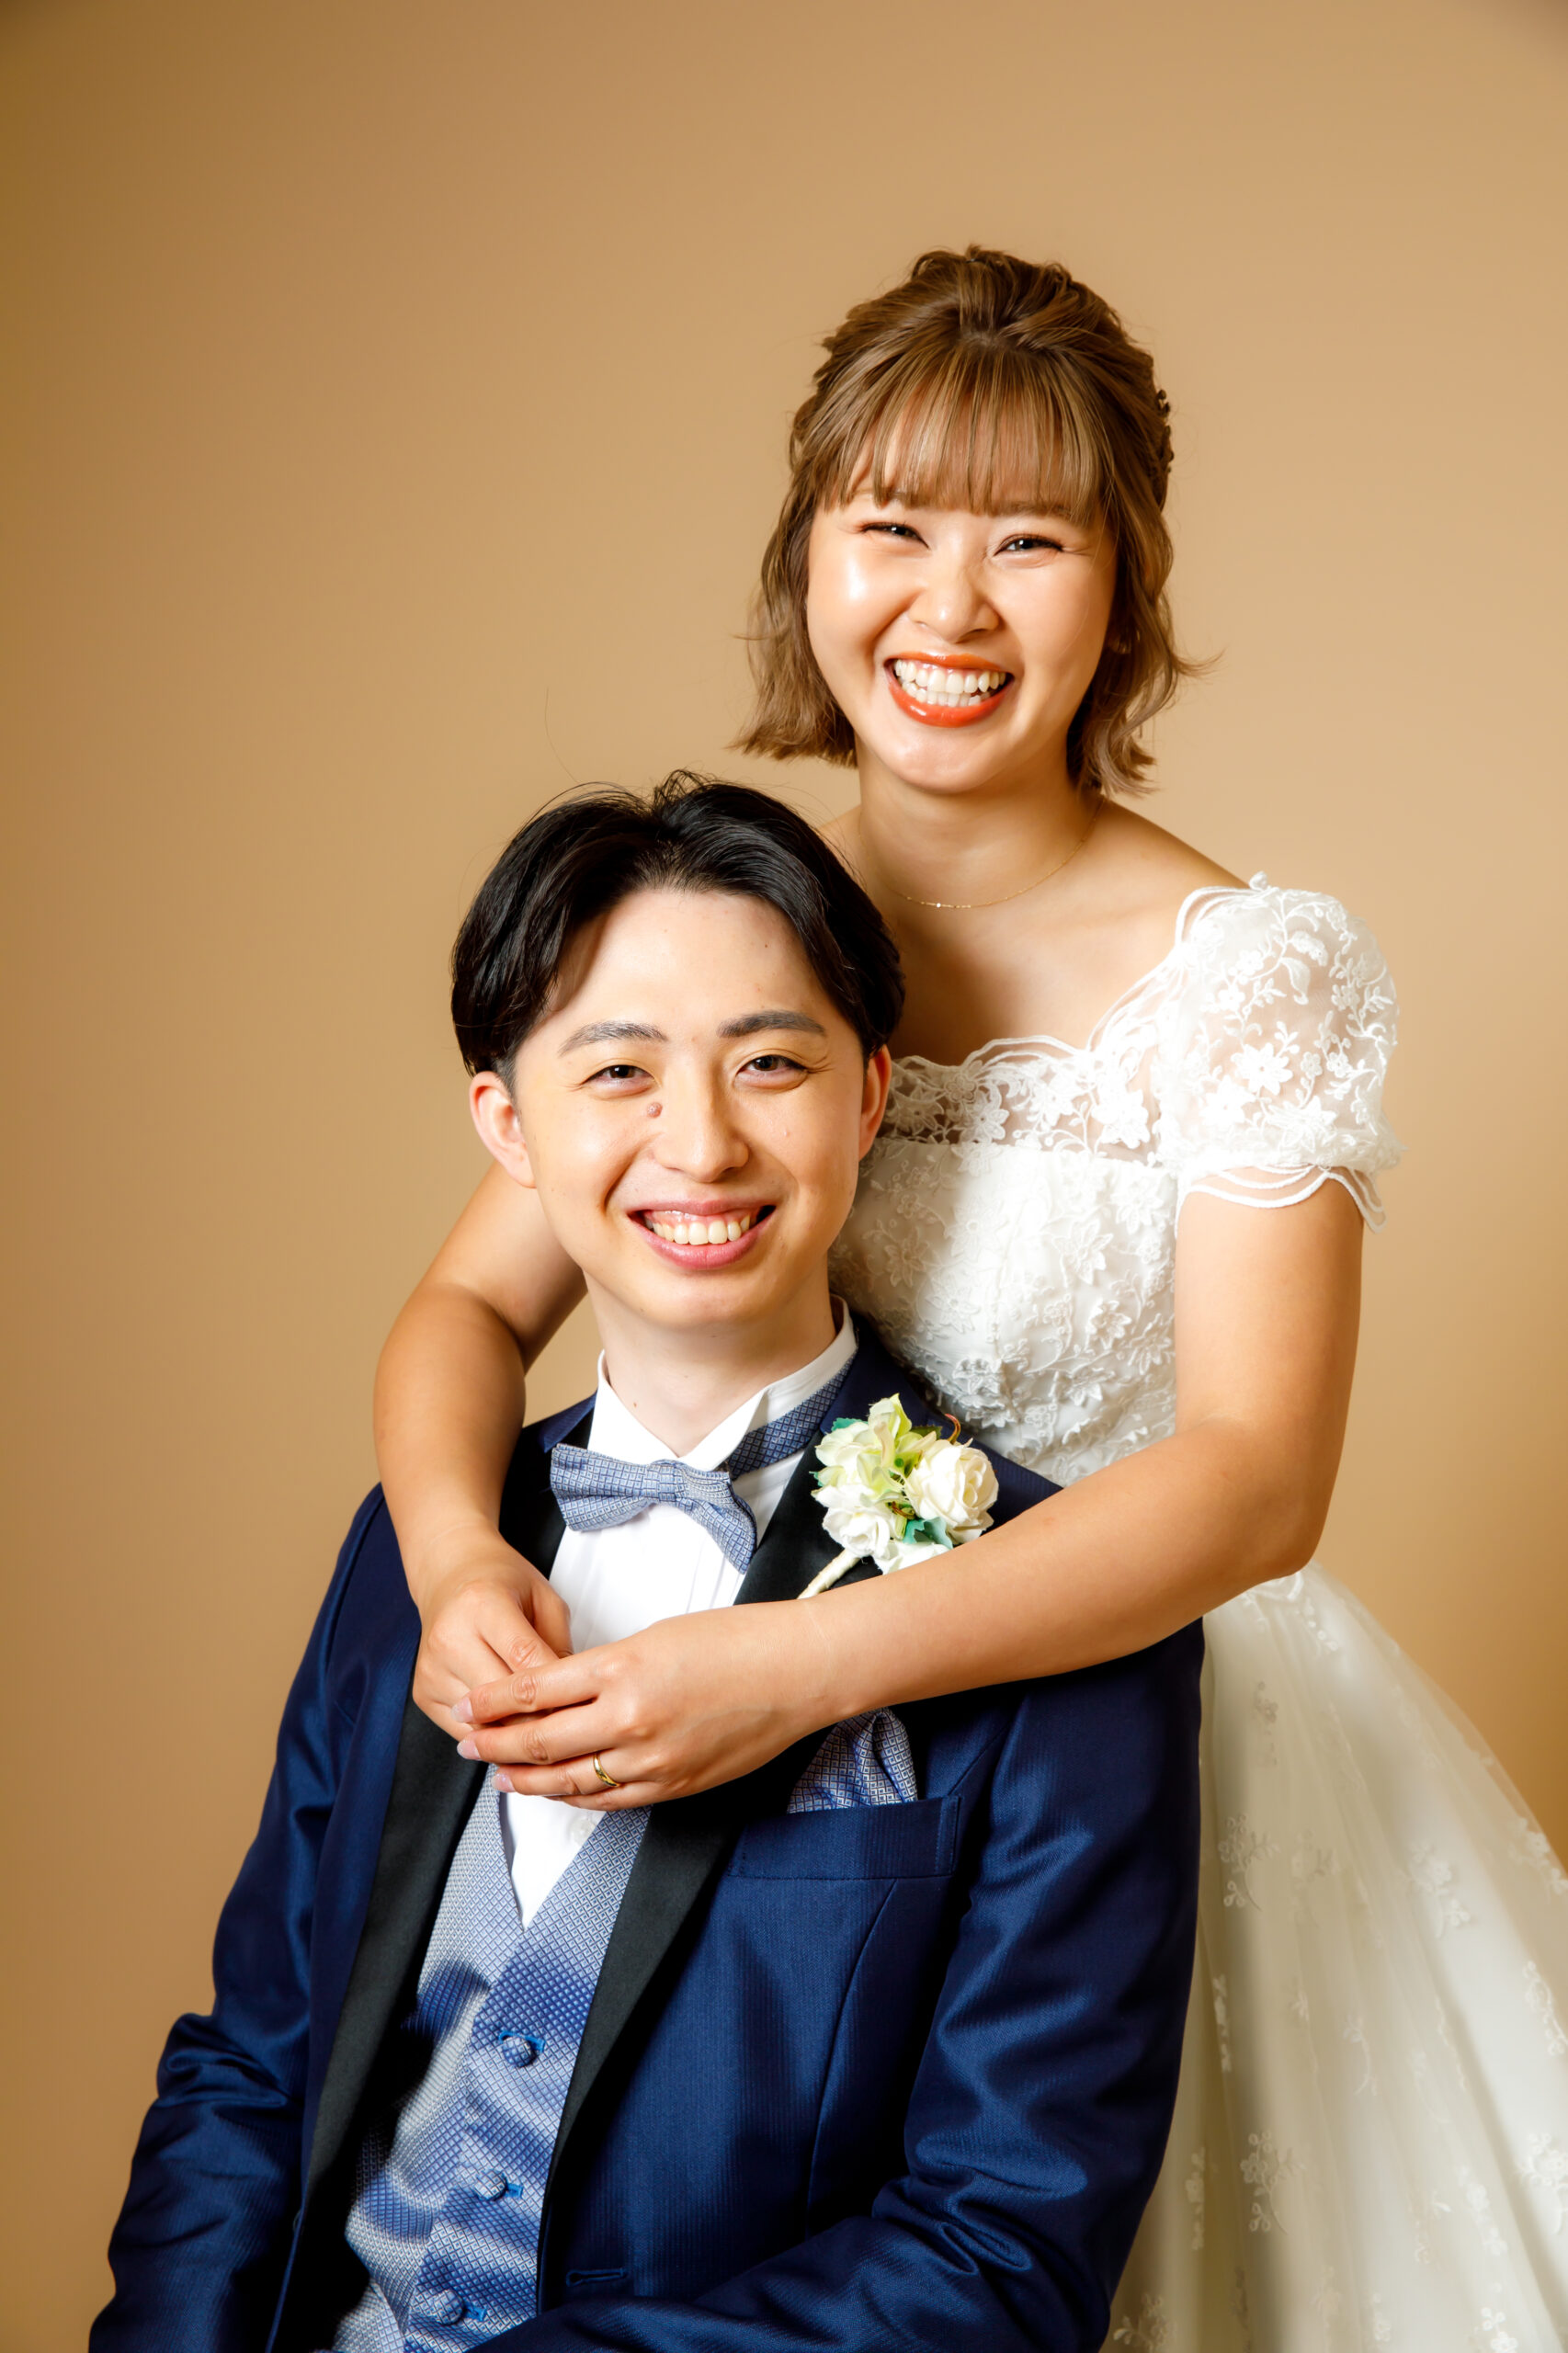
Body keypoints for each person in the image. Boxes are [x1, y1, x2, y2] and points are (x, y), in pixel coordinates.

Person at [372, 251, 1568, 2348]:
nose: (952, 606)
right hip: (787, 1786)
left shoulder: (1247, 970)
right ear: (806, 560)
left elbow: (1258, 1477)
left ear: (1122, 590)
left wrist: (797, 1666)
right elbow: (464, 1315)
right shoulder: (731, 932)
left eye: (1030, 541)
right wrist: (459, 1558)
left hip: (1138, 1735)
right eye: (893, 528)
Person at [94, 779, 1202, 2353]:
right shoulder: (417, 1541)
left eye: (769, 1064)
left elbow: (1000, 2252)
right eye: (618, 1070)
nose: (700, 1143)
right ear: (507, 1128)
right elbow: (251, 2069)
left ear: (870, 1096)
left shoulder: (1059, 1613)